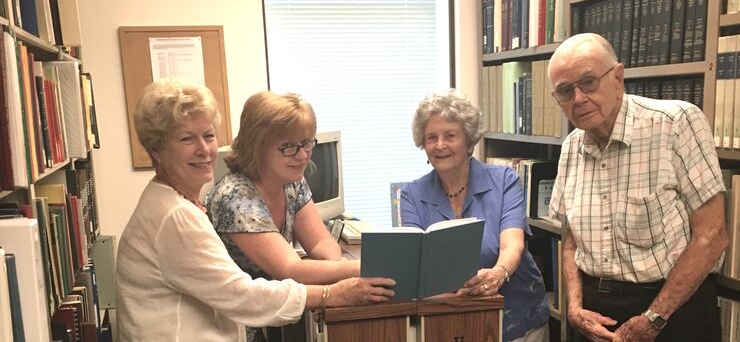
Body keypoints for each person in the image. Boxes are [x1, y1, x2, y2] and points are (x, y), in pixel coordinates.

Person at [116, 79, 394, 341]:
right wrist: (331, 294)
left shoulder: (178, 201)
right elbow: (242, 295)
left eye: (209, 136)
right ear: (157, 150)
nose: (204, 150)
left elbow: (319, 243)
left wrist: (339, 275)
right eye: (187, 139)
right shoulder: (177, 215)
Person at [546, 33, 729, 342]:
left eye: (588, 82)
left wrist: (653, 319)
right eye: (565, 91)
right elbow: (570, 243)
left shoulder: (676, 124)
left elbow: (712, 236)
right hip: (596, 318)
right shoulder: (570, 148)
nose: (578, 99)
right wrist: (575, 308)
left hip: (672, 313)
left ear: (618, 77)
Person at [204, 91, 361, 341]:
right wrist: (361, 268)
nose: (302, 156)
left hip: (272, 313)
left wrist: (339, 267)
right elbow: (290, 269)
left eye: (307, 143)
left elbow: (320, 242)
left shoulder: (292, 183)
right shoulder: (234, 197)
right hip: (234, 326)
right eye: (288, 147)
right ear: (257, 146)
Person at [399, 89, 550, 342]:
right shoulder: (412, 195)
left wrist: (498, 273)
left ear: (469, 141)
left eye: (450, 136)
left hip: (519, 320)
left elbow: (513, 243)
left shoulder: (505, 181)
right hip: (451, 322)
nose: (440, 145)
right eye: (431, 138)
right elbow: (417, 263)